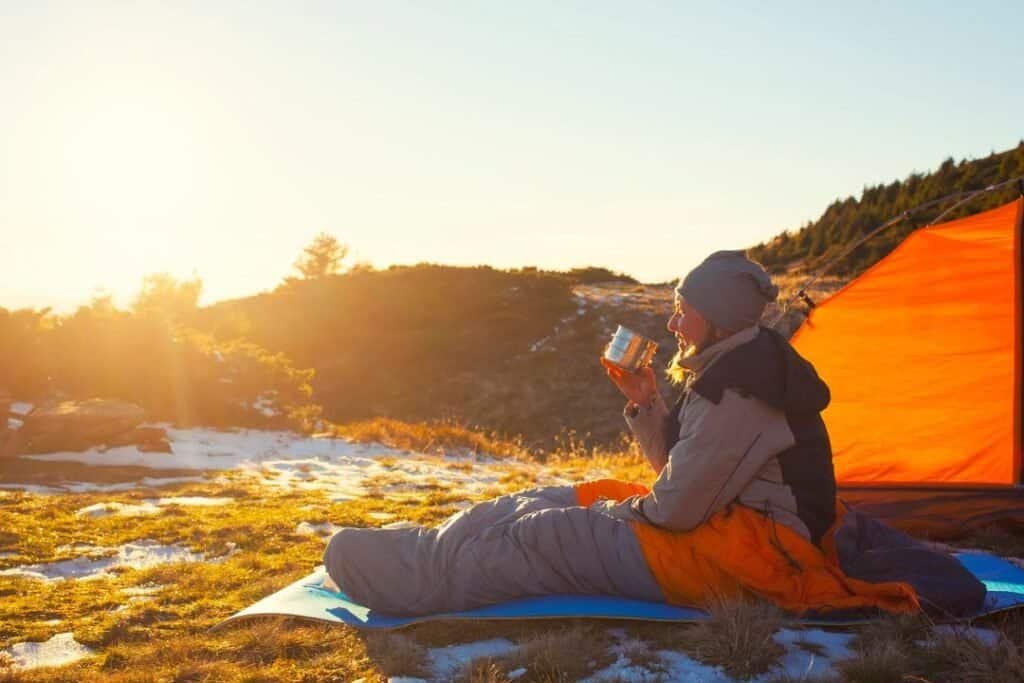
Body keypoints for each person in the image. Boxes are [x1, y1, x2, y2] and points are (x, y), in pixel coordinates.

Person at [323, 251, 922, 617]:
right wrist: (647, 402)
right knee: (554, 498)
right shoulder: (733, 363)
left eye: (683, 309)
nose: (671, 321)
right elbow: (684, 474)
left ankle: (421, 581)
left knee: (547, 535)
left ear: (715, 318)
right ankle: (428, 547)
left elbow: (678, 507)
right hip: (727, 528)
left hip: (754, 556)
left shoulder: (740, 388)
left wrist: (620, 513)